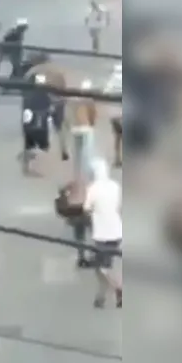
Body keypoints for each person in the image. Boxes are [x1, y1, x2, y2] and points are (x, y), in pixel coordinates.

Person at [84, 159, 122, 309]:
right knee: (105, 266)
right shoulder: (115, 186)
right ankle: (100, 298)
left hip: (102, 234)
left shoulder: (93, 188)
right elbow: (119, 206)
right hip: (117, 232)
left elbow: (86, 208)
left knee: (101, 268)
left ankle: (118, 288)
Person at [69, 79, 99, 183]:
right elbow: (93, 115)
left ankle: (77, 176)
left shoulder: (75, 99)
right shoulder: (89, 100)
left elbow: (70, 113)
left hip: (75, 129)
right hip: (86, 128)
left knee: (77, 154)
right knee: (87, 154)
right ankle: (88, 177)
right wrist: (92, 124)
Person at [22, 74, 53, 176]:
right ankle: (34, 167)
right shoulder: (45, 94)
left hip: (30, 122)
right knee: (40, 145)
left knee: (30, 145)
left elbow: (25, 108)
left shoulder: (29, 94)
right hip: (40, 122)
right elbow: (49, 107)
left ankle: (28, 166)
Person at [104, 63, 123, 167]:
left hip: (114, 114)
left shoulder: (112, 81)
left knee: (117, 137)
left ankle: (117, 158)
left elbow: (105, 92)